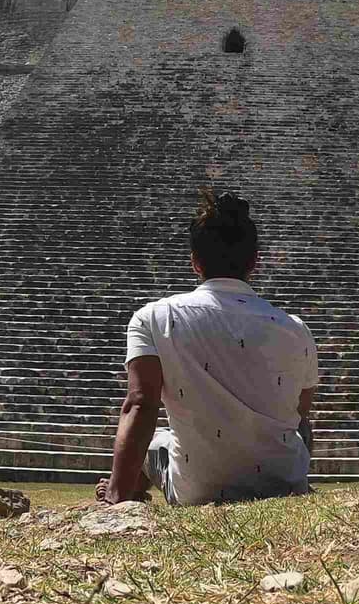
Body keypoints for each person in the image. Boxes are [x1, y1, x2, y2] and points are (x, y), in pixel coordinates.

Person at [98, 189, 318, 506]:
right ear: (254, 261)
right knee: (300, 426)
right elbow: (299, 413)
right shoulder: (296, 329)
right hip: (282, 483)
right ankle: (297, 481)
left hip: (199, 488)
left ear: (195, 263)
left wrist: (114, 503)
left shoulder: (155, 318)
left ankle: (126, 491)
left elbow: (140, 403)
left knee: (155, 443)